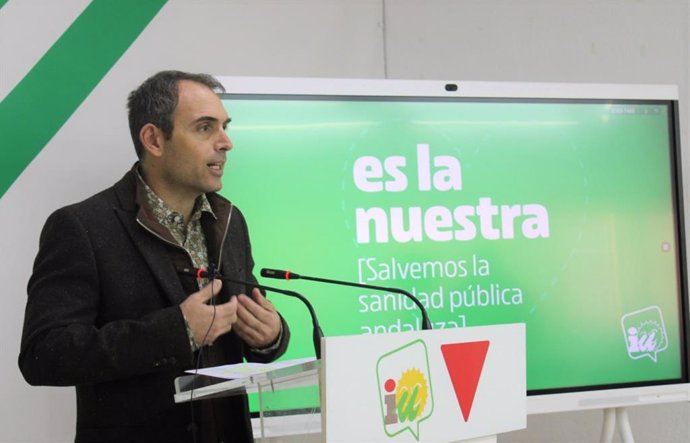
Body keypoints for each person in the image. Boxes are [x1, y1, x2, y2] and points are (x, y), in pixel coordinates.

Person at [18, 70, 289, 443]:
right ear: (154, 139)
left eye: (225, 127)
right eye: (205, 128)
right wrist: (174, 332)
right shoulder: (82, 227)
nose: (226, 143)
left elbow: (242, 323)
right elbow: (43, 354)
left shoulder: (230, 220)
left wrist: (269, 336)